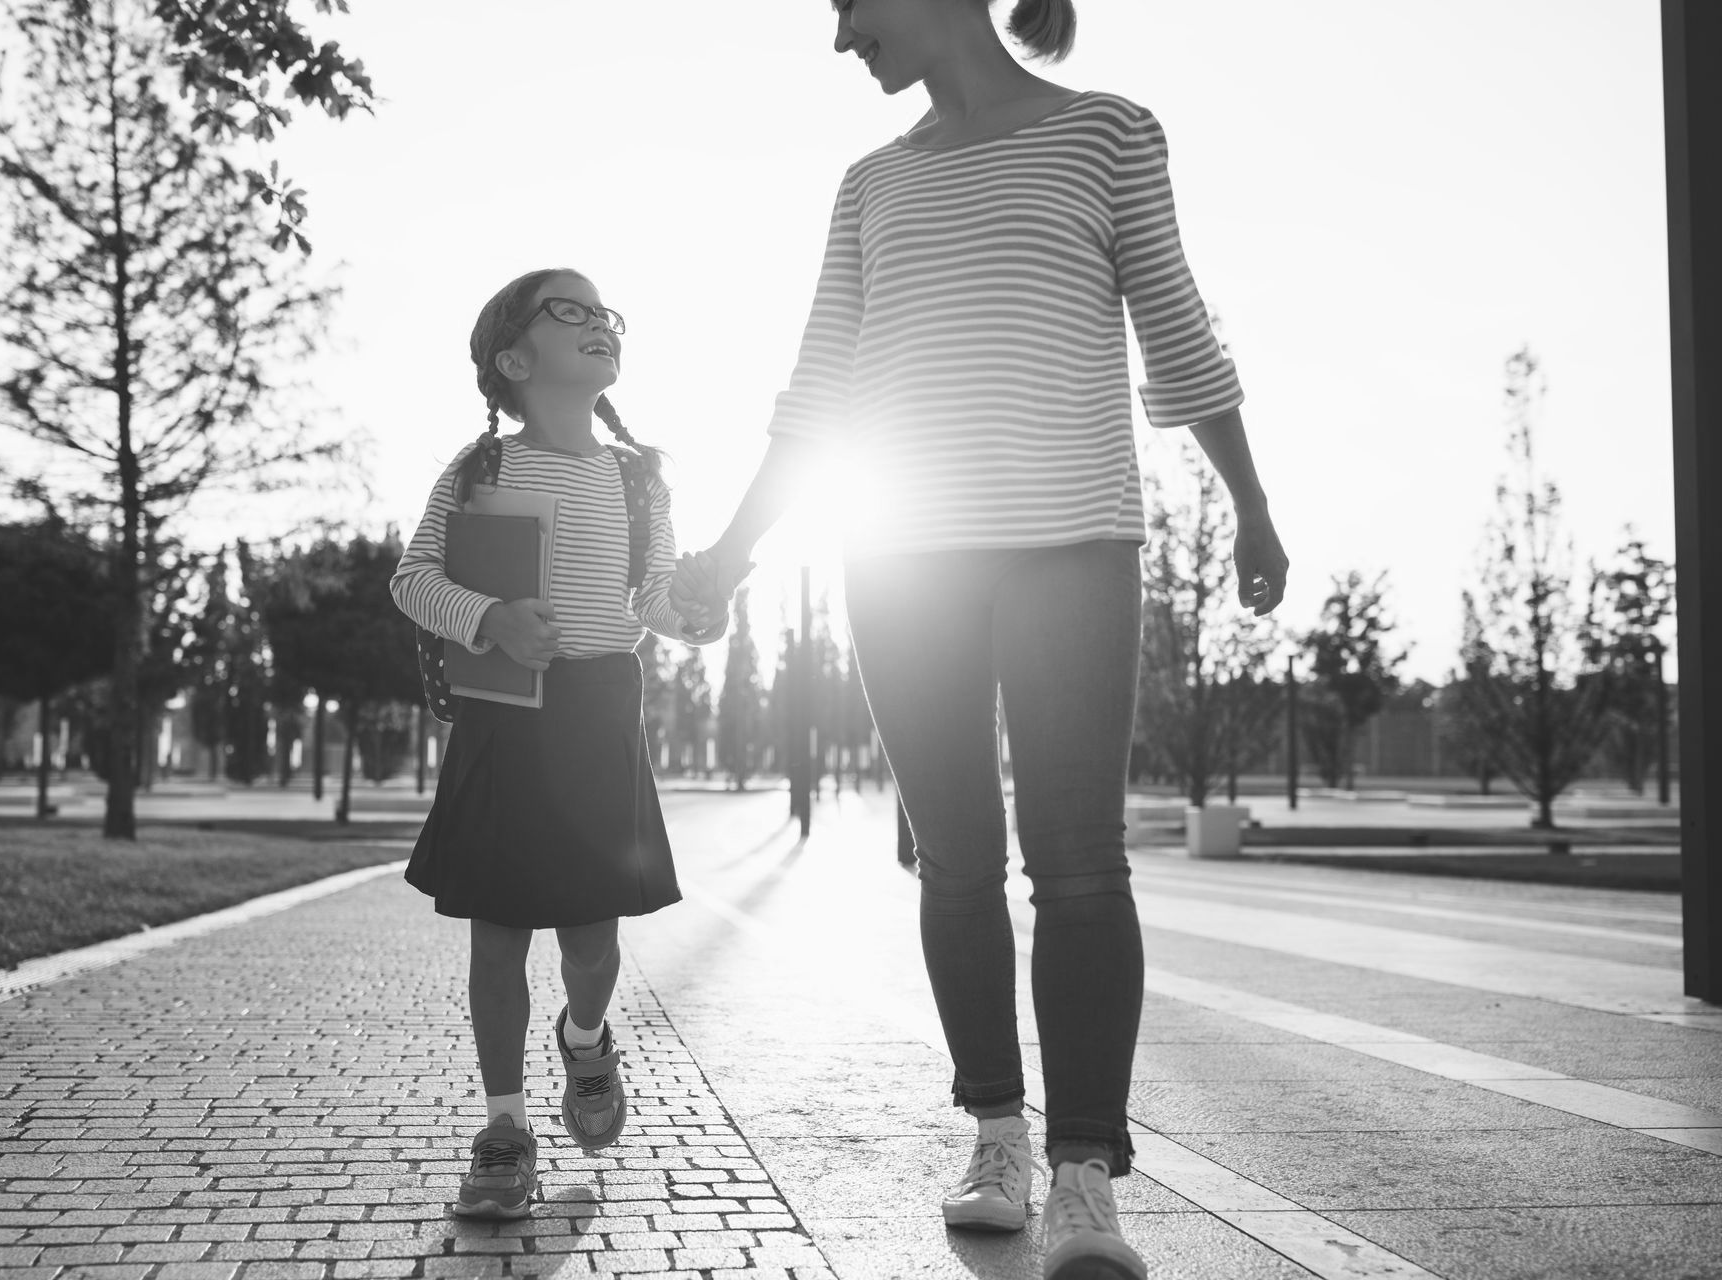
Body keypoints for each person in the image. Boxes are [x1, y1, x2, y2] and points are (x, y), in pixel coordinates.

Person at [675, 3, 1289, 1277]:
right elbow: (818, 390)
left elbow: (1175, 325)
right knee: (956, 863)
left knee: (1078, 866)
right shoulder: (870, 184)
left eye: (854, 7)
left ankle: (1084, 1175)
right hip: (902, 562)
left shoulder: (1108, 133)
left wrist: (1251, 499)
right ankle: (996, 1136)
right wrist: (734, 553)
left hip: (1072, 542)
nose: (844, 39)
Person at [391, 268, 728, 1220]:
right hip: (503, 715)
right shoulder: (478, 471)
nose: (598, 323)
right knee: (498, 938)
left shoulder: (638, 476)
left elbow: (658, 603)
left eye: (603, 313)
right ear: (512, 358)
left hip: (596, 714)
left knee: (590, 939)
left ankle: (587, 1042)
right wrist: (491, 617)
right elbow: (413, 580)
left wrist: (702, 614)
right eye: (568, 311)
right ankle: (504, 1133)